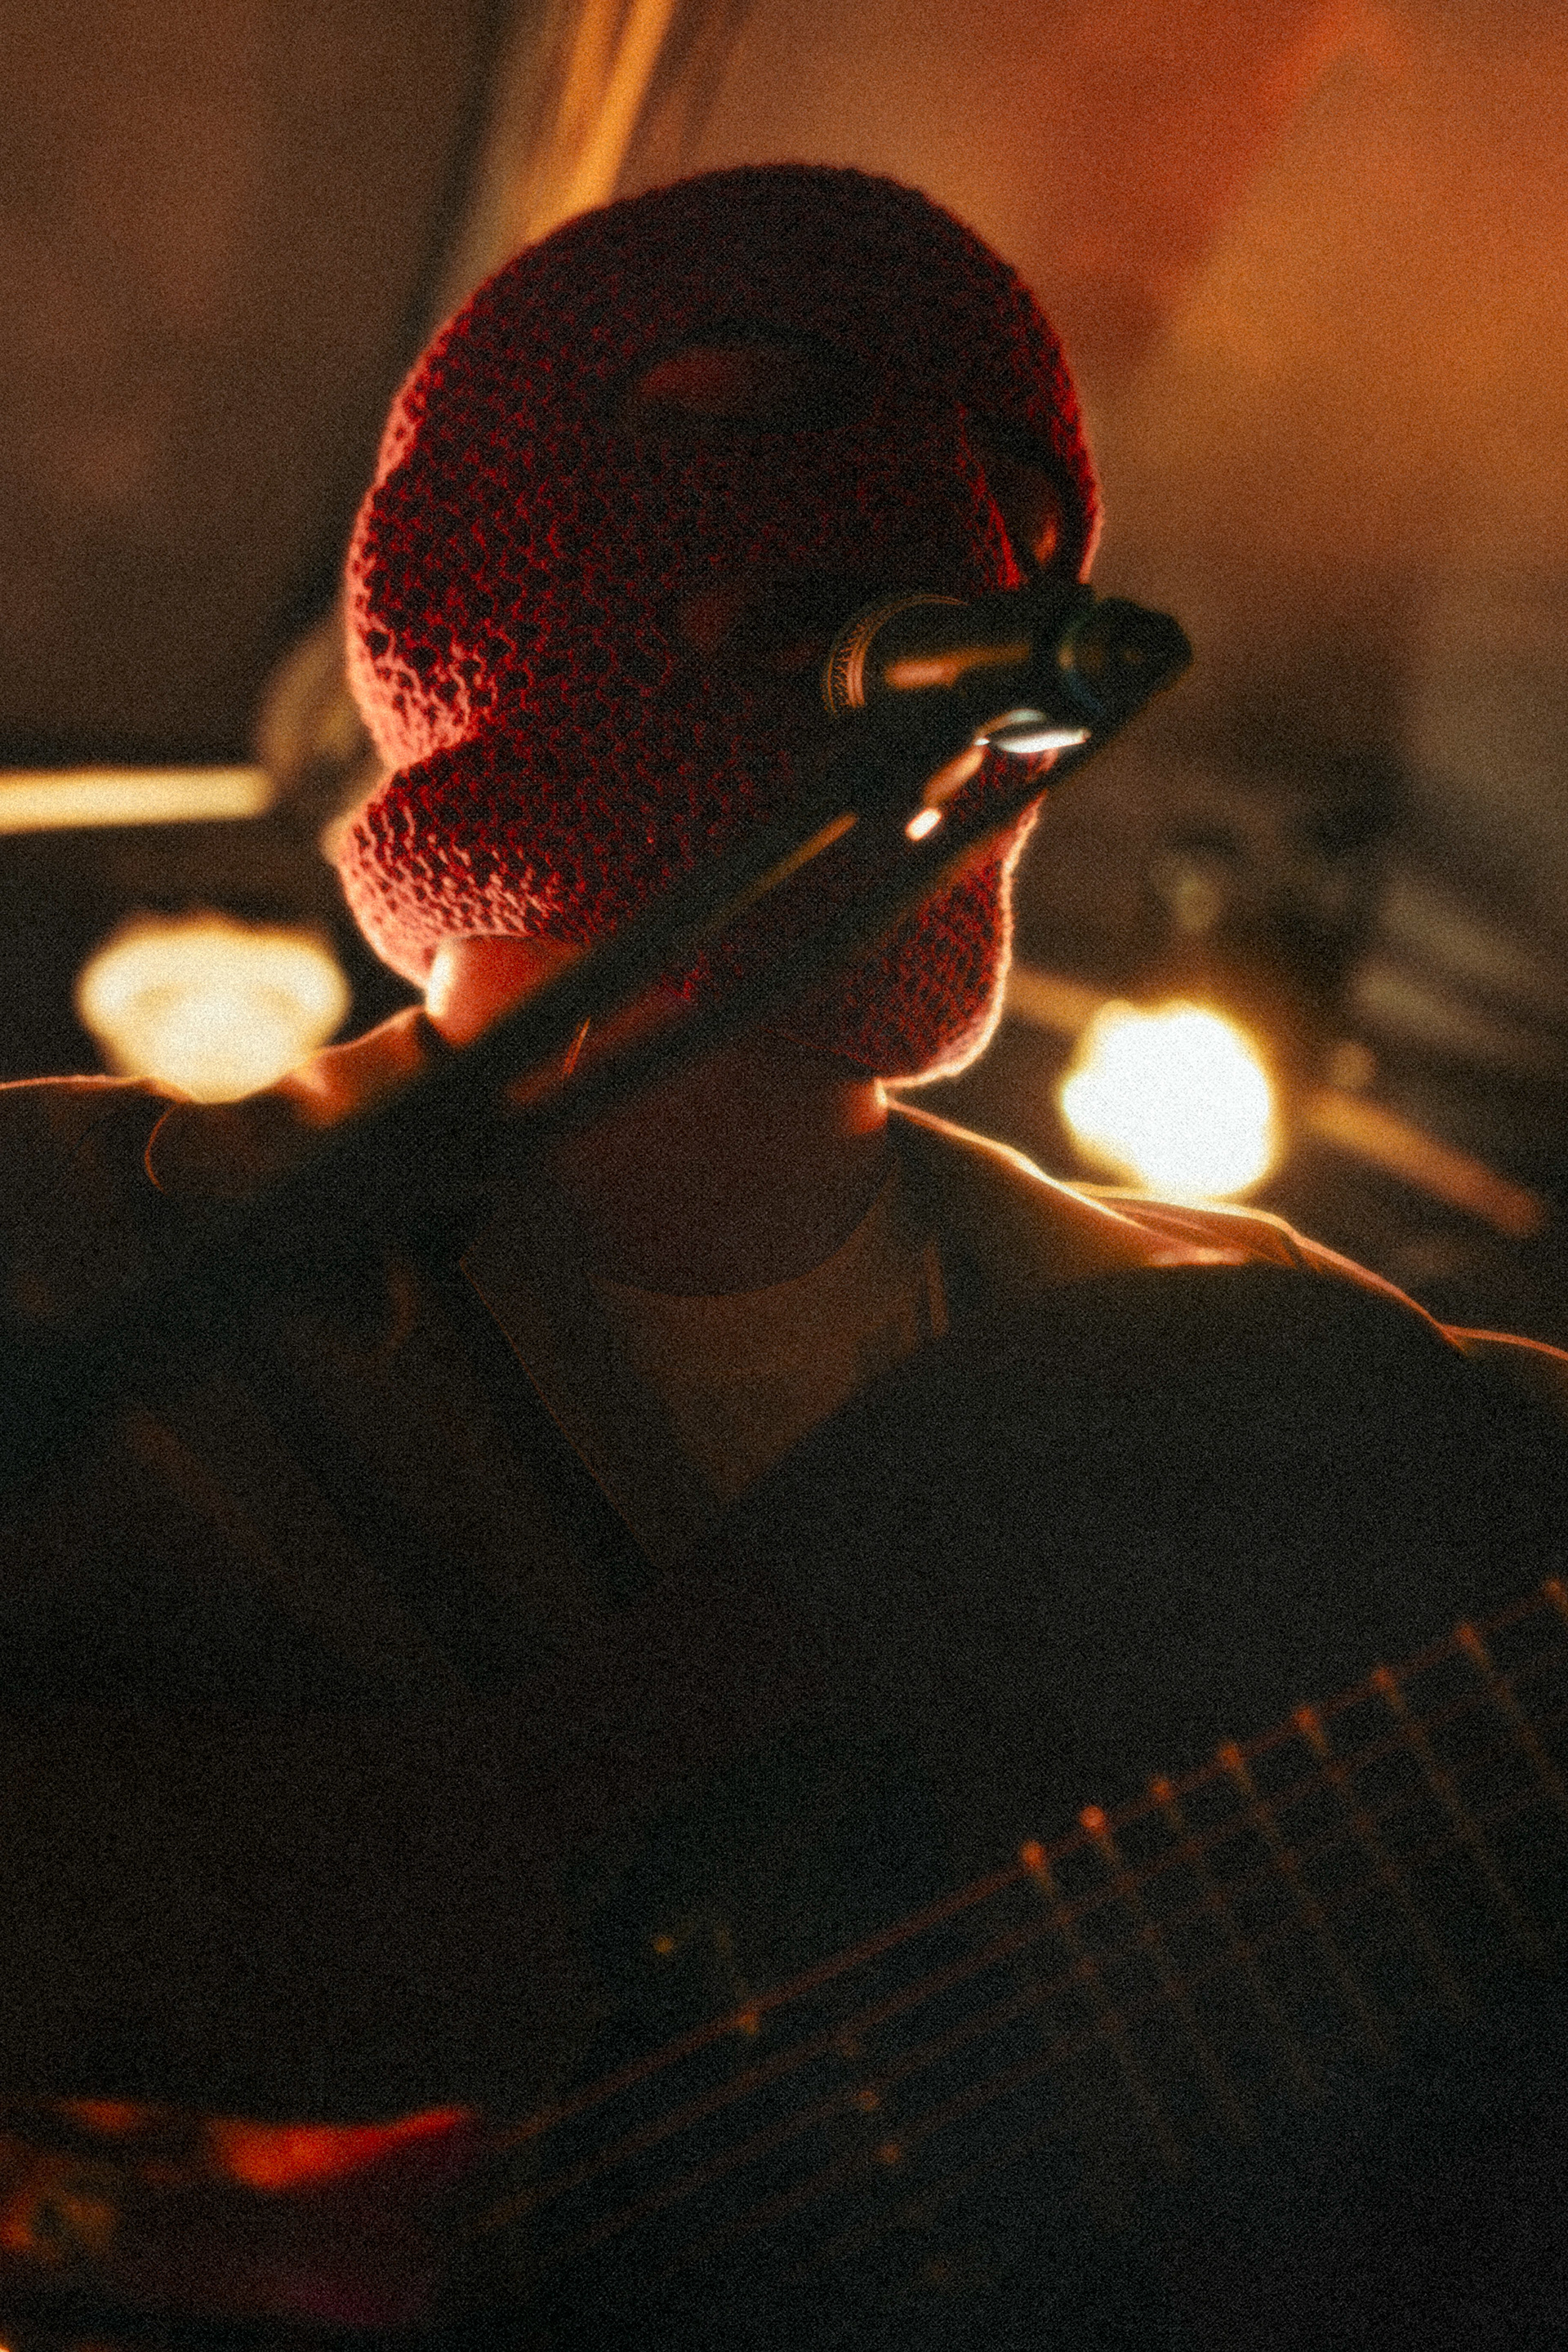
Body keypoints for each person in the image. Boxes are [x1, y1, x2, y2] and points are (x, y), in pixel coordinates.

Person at [1, 164, 1566, 2348]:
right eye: (733, 423)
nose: (919, 521)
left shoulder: (1286, 1417)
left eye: (1008, 502)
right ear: (467, 599)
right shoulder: (51, 1269)